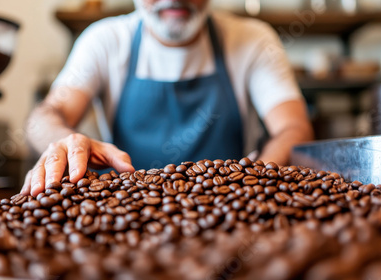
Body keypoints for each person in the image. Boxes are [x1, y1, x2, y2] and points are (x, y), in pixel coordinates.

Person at [21, 0, 313, 196]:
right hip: (125, 217)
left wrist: (256, 184)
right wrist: (63, 141)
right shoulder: (105, 41)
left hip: (233, 213)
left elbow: (294, 128)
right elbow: (46, 115)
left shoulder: (253, 40)